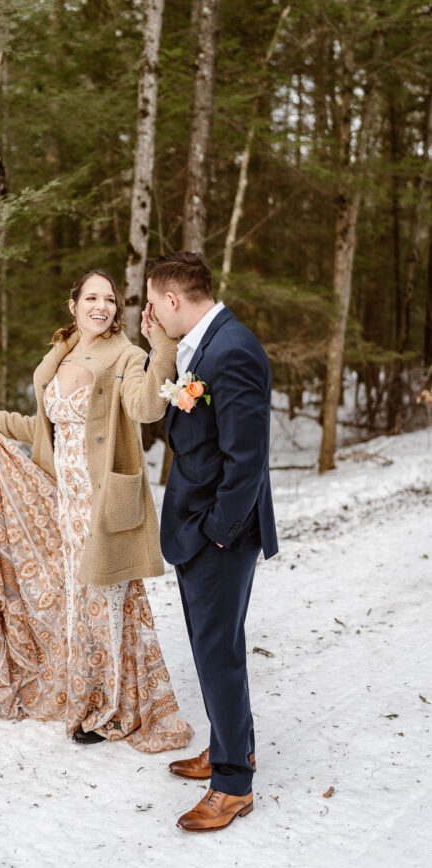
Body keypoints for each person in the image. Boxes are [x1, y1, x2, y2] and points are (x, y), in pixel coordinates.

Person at [0, 270, 192, 753]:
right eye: (92, 297)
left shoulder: (126, 356)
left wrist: (163, 347)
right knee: (79, 604)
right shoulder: (62, 353)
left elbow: (145, 408)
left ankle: (106, 709)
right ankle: (87, 694)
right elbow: (45, 427)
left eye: (110, 299)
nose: (102, 306)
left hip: (103, 503)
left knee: (105, 604)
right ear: (72, 304)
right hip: (63, 500)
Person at [143, 252, 278, 830]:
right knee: (210, 645)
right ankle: (231, 746)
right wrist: (160, 356)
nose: (147, 314)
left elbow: (247, 461)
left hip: (219, 533)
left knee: (217, 652)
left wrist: (215, 535)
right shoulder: (202, 343)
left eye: (151, 303)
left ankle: (233, 785)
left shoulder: (233, 349)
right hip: (197, 525)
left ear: (174, 299)